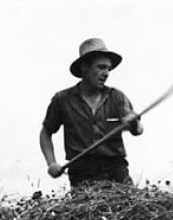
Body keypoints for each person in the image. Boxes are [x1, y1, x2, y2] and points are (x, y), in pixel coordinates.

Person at [39, 37, 142, 188]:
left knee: (131, 203)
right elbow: (45, 133)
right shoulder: (63, 99)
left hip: (115, 171)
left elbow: (138, 130)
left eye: (108, 69)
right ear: (84, 67)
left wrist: (133, 123)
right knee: (85, 204)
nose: (106, 73)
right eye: (100, 67)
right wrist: (51, 163)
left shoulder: (117, 97)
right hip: (82, 173)